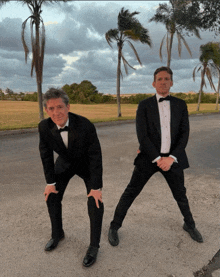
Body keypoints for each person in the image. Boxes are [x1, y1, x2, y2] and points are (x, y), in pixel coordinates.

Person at [108, 66, 203, 247]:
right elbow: (142, 136)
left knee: (180, 194)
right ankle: (114, 226)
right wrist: (158, 159)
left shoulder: (180, 105)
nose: (163, 82)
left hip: (173, 159)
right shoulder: (144, 105)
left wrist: (170, 158)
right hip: (149, 158)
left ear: (172, 83)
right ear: (153, 83)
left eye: (167, 79)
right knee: (131, 192)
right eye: (159, 79)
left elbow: (184, 134)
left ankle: (189, 224)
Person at [38, 88, 104, 267]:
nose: (56, 112)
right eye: (51, 108)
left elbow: (96, 156)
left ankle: (93, 246)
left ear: (68, 107)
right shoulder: (44, 127)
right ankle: (57, 234)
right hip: (65, 163)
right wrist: (50, 183)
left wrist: (96, 187)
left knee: (95, 201)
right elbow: (45, 155)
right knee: (51, 196)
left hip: (86, 164)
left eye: (60, 107)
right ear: (46, 110)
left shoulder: (85, 124)